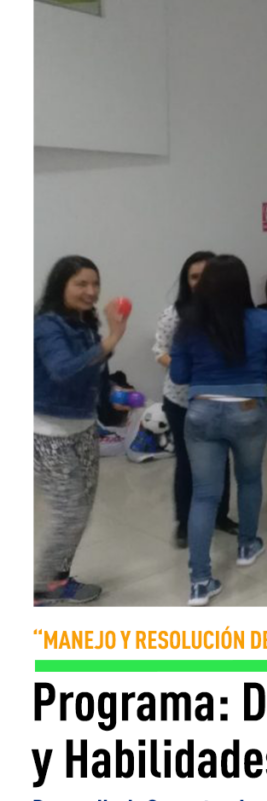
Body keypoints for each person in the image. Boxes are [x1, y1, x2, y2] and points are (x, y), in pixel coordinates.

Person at [171, 255, 267, 605]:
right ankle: (247, 545)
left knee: (204, 495)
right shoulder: (263, 320)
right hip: (249, 410)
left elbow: (179, 375)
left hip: (201, 411)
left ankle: (199, 582)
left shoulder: (190, 323)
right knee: (249, 479)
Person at [34, 256, 129, 605]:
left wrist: (114, 396)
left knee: (82, 508)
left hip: (84, 427)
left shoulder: (85, 326)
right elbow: (63, 370)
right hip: (48, 433)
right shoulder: (46, 325)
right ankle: (37, 588)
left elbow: (94, 375)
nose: (91, 291)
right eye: (81, 284)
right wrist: (113, 337)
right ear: (61, 285)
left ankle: (58, 581)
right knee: (70, 512)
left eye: (95, 284)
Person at [154, 251, 238, 547]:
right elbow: (160, 351)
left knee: (221, 459)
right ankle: (184, 523)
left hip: (220, 399)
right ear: (185, 281)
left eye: (207, 276)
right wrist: (188, 367)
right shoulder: (174, 315)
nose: (200, 282)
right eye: (194, 277)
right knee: (188, 462)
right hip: (182, 401)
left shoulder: (230, 314)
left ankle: (220, 516)